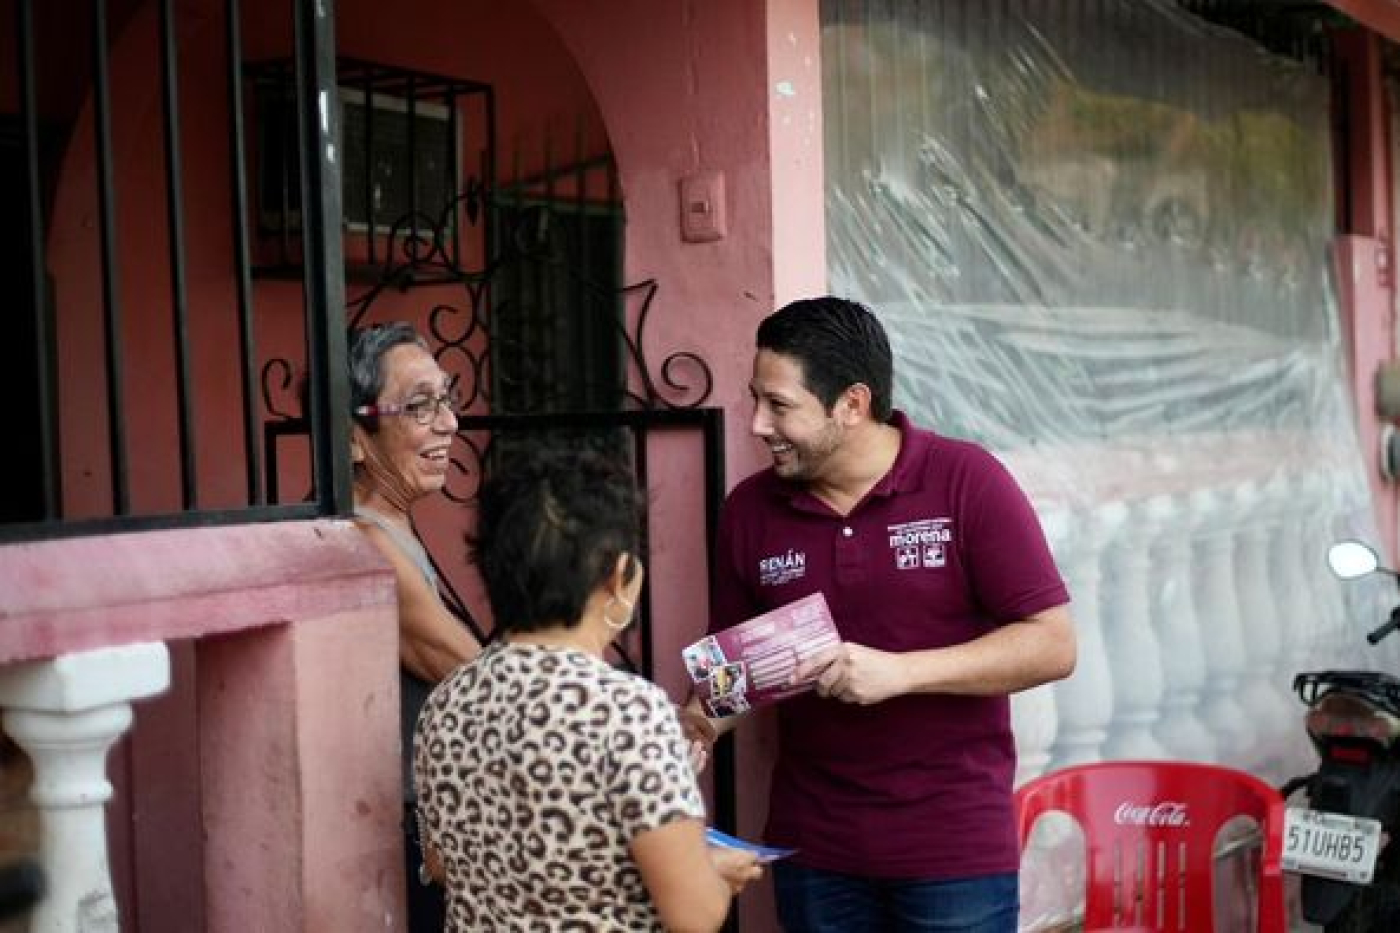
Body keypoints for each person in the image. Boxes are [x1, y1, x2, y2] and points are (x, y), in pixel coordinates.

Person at [683, 296, 1077, 932]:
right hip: (814, 852)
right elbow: (734, 671)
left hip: (954, 852)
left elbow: (1053, 644)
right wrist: (693, 725)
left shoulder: (966, 479)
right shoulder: (750, 509)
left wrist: (902, 672)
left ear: (853, 404)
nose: (757, 424)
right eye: (755, 399)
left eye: (779, 405)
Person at [414, 447, 763, 931]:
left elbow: (440, 863)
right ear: (620, 578)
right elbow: (696, 913)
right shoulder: (630, 712)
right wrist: (714, 869)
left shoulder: (446, 703)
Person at [347, 321, 482, 931]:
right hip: (412, 844)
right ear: (356, 437)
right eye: (420, 406)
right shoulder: (369, 543)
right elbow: (480, 676)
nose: (449, 423)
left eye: (446, 399)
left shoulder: (390, 530)